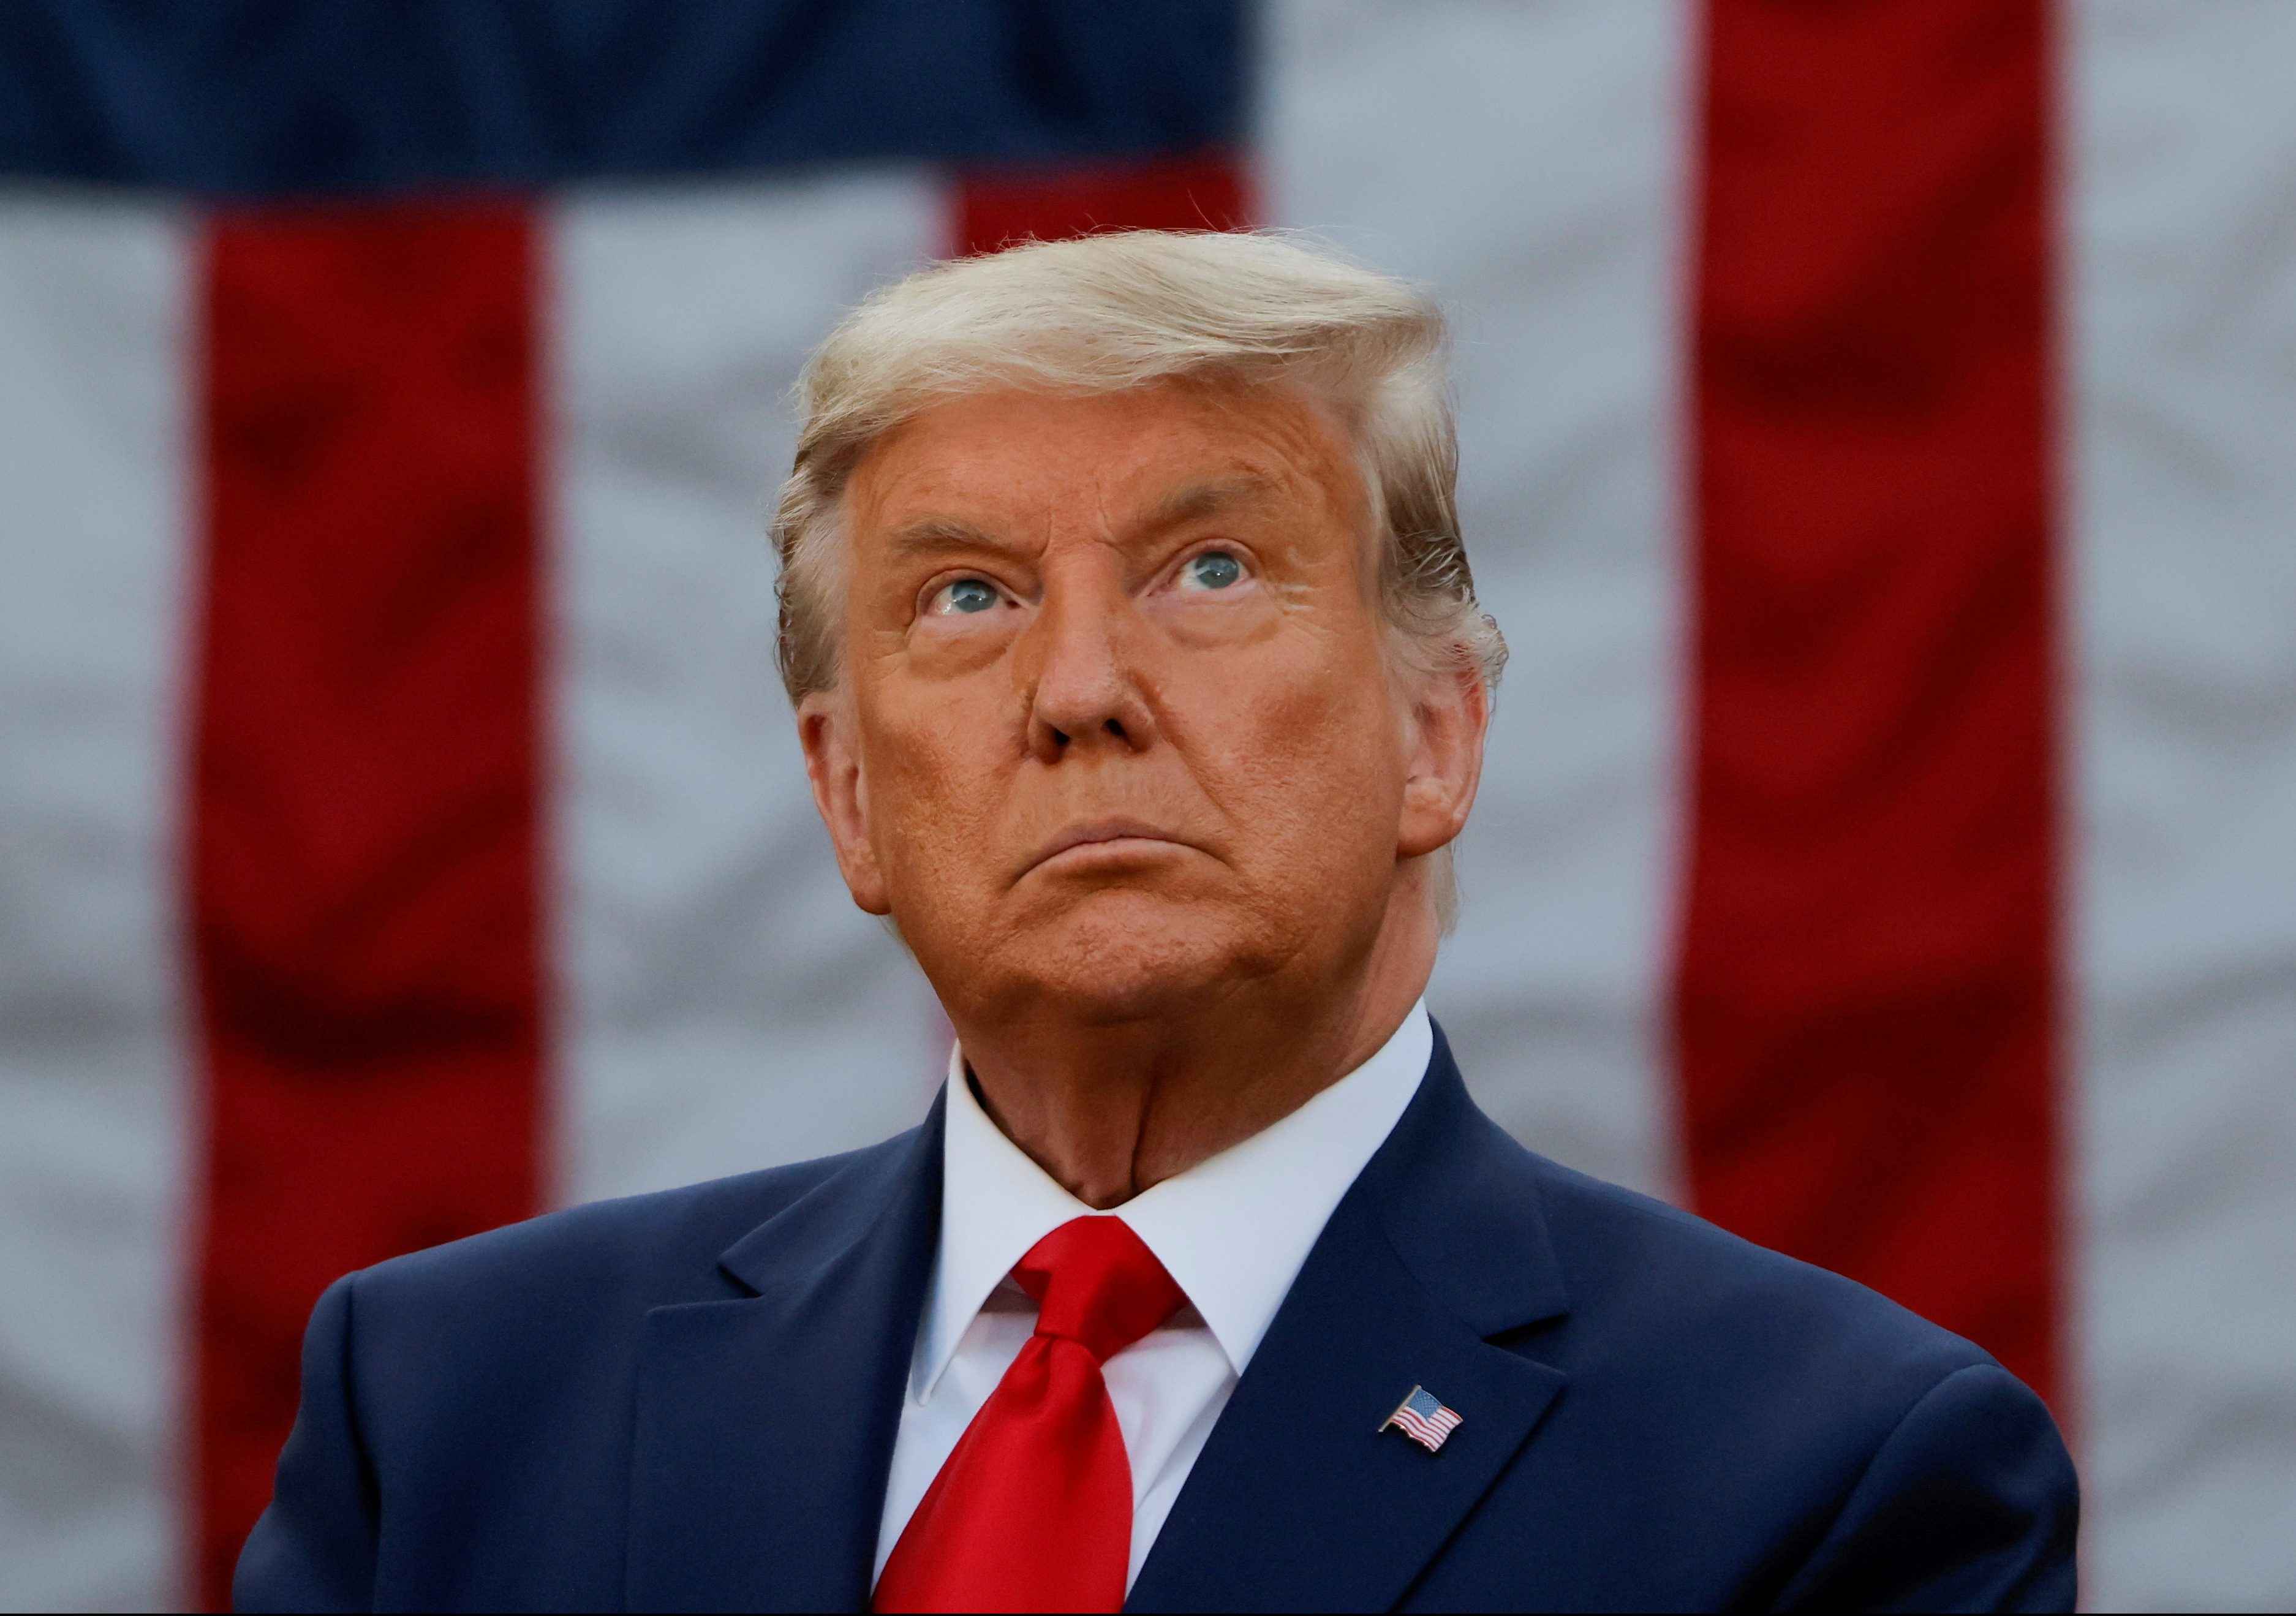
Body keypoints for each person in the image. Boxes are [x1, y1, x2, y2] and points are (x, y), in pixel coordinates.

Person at [235, 230, 2077, 1613]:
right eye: (966, 596)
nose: (1080, 688)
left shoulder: (1831, 1476)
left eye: (1212, 568)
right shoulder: (451, 1411)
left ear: (1436, 736)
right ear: (850, 795)